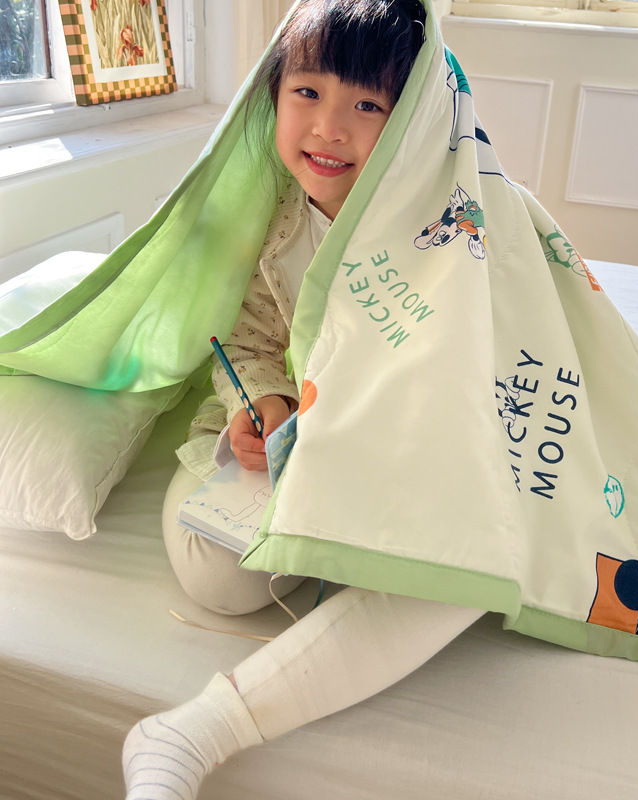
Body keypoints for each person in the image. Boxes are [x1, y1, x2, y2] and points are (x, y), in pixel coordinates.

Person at [123, 1, 484, 797]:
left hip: (403, 456)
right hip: (294, 455)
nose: (329, 128)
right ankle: (344, 551)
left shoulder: (452, 224)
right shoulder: (274, 220)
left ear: (413, 120)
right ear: (274, 94)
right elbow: (248, 341)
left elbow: (493, 361)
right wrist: (264, 408)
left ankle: (200, 729)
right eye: (308, 93)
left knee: (483, 551)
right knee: (215, 576)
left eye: (368, 105)